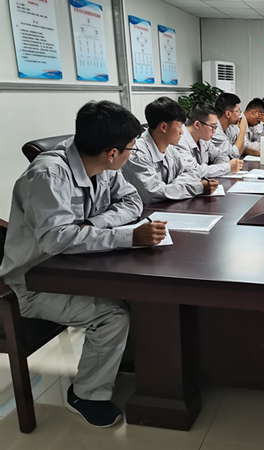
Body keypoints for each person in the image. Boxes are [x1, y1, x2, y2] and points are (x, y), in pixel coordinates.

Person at [0, 100, 167, 428]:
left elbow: (132, 201)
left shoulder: (101, 165)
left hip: (75, 268)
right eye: (131, 148)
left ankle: (118, 360)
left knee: (138, 294)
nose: (131, 153)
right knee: (112, 315)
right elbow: (57, 240)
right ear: (112, 153)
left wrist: (94, 224)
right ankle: (86, 395)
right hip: (33, 283)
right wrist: (128, 237)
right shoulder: (47, 176)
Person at [122, 97, 219, 206]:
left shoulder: (169, 147)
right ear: (164, 127)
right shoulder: (137, 154)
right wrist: (198, 188)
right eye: (179, 127)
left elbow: (192, 172)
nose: (182, 132)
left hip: (167, 206)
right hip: (146, 211)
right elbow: (152, 193)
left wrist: (171, 188)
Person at [177, 102, 244, 177]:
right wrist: (227, 167)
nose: (214, 131)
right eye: (212, 126)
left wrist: (218, 168)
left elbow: (222, 155)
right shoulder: (179, 141)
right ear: (197, 124)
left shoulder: (203, 139)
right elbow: (193, 171)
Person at [211, 92, 246, 160]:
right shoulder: (214, 131)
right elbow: (234, 155)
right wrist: (242, 130)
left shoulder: (229, 127)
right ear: (228, 114)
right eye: (238, 111)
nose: (240, 115)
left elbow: (241, 147)